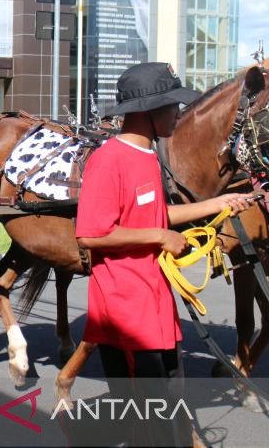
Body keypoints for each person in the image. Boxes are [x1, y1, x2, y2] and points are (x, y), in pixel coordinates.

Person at [75, 62, 253, 446]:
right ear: (147, 112)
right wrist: (160, 237)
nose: (179, 113)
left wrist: (220, 203)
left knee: (166, 407)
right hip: (125, 313)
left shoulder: (148, 157)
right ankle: (74, 430)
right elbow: (90, 234)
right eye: (172, 106)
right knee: (148, 422)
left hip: (153, 304)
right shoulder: (109, 160)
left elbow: (159, 214)